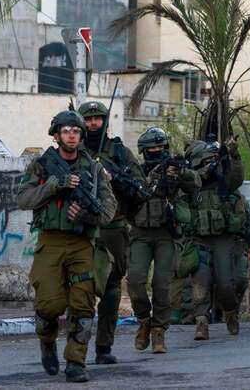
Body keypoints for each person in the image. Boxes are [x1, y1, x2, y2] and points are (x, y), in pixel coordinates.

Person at [16, 110, 117, 383]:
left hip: (83, 243)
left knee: (83, 305)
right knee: (50, 305)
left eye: (76, 131)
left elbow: (109, 210)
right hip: (50, 242)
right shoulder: (41, 166)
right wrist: (54, 185)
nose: (72, 135)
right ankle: (47, 342)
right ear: (57, 135)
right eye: (66, 130)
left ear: (82, 135)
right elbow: (23, 199)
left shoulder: (94, 170)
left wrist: (85, 215)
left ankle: (76, 362)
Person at [77, 101, 147, 364]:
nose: (93, 123)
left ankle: (103, 346)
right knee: (81, 287)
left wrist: (115, 178)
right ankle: (77, 347)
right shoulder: (75, 151)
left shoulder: (120, 152)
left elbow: (140, 188)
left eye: (98, 118)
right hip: (83, 228)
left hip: (114, 227)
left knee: (112, 289)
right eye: (88, 119)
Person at [128, 127, 200, 354]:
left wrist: (180, 172)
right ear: (144, 151)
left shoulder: (174, 170)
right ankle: (143, 321)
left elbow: (195, 185)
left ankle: (159, 331)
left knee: (161, 285)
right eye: (152, 149)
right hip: (140, 233)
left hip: (165, 235)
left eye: (161, 148)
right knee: (136, 282)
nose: (157, 152)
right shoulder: (136, 172)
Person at [185, 138, 250, 341]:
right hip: (200, 240)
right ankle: (201, 323)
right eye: (205, 161)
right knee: (200, 284)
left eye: (212, 160)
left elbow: (237, 177)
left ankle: (230, 312)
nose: (210, 165)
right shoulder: (190, 184)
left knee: (225, 284)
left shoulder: (224, 181)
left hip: (223, 239)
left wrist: (234, 155)